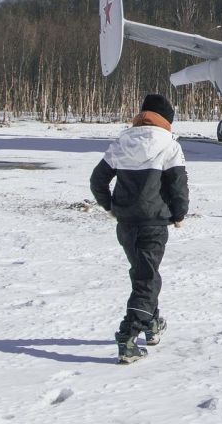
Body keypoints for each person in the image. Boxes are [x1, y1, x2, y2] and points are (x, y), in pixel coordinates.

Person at [90, 93, 189, 365]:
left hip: (126, 224)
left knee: (144, 273)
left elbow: (97, 180)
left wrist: (110, 206)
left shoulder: (122, 142)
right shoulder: (169, 145)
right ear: (166, 120)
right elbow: (178, 186)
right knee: (147, 279)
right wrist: (179, 214)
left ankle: (151, 323)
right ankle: (129, 335)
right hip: (154, 224)